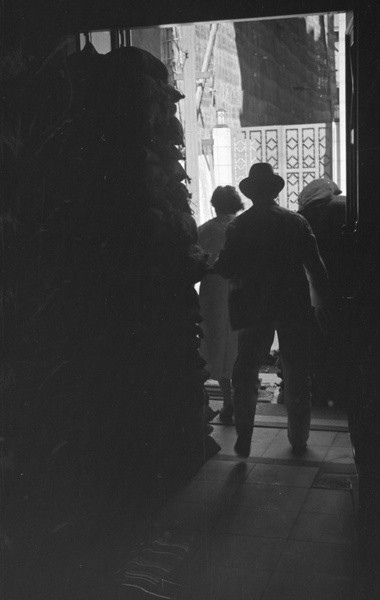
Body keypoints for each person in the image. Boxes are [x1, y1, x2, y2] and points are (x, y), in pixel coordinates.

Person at [214, 163, 330, 457]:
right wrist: (323, 306)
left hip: (254, 308)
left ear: (251, 193)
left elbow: (226, 269)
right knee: (296, 372)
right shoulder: (296, 222)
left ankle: (245, 435)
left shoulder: (239, 227)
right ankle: (299, 437)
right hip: (293, 306)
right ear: (275, 191)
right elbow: (316, 267)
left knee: (245, 373)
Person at [298, 178, 348, 407]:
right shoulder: (346, 207)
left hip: (317, 291)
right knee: (342, 342)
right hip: (347, 286)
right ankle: (341, 393)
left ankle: (321, 392)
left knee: (318, 344)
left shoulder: (305, 217)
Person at [198, 186, 244, 423]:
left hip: (214, 293)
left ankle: (227, 401)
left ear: (215, 204)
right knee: (239, 346)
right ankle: (240, 401)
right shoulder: (245, 226)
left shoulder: (205, 230)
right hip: (242, 290)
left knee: (216, 344)